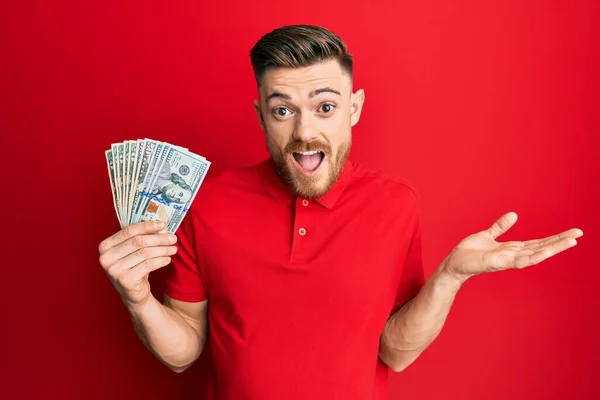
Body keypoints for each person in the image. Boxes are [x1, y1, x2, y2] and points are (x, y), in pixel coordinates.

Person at [97, 25, 583, 399]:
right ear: (260, 114)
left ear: (354, 107)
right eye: (282, 110)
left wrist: (451, 275)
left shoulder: (395, 203)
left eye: (324, 107)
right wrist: (138, 297)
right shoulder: (208, 203)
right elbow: (183, 353)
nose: (305, 132)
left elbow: (393, 351)